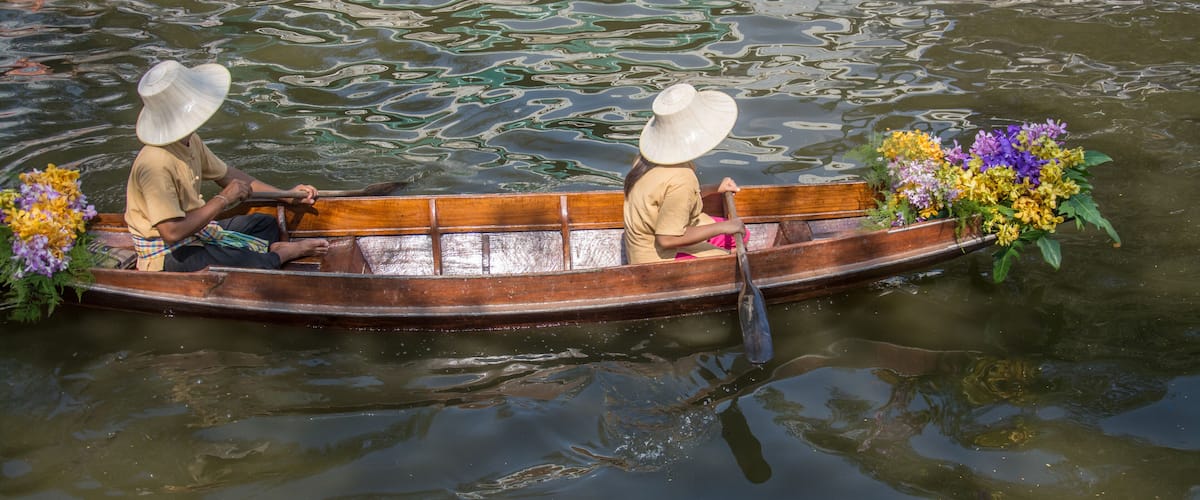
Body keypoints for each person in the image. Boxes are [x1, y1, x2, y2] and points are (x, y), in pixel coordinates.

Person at [124, 60, 329, 272]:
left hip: (196, 231)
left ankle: (270, 249)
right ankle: (281, 253)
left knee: (264, 224)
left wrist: (285, 195)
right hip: (167, 252)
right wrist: (223, 199)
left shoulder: (190, 140)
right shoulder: (156, 163)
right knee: (254, 264)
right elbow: (172, 232)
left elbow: (227, 175)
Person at [623, 83, 745, 264]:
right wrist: (724, 227)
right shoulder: (682, 178)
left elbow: (668, 198)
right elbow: (667, 239)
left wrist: (713, 188)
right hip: (656, 259)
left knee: (744, 234)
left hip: (645, 243)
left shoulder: (645, 159)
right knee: (732, 258)